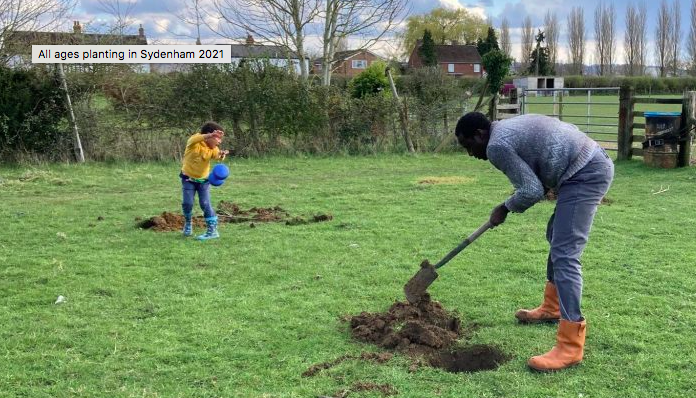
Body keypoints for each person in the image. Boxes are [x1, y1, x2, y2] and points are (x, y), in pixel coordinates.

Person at [454, 112, 614, 372]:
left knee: (565, 254)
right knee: (555, 236)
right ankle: (551, 308)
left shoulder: (496, 145)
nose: (471, 154)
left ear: (480, 135)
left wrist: (504, 208)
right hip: (584, 165)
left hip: (585, 173)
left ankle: (570, 345)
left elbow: (531, 190)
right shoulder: (502, 130)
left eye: (469, 146)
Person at [180, 121, 229, 240]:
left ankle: (212, 231)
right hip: (188, 179)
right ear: (209, 135)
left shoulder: (213, 148)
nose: (219, 141)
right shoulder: (194, 143)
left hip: (204, 181)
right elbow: (196, 138)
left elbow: (218, 157)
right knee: (187, 204)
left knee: (205, 204)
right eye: (218, 138)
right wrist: (211, 135)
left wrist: (222, 154)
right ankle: (188, 223)